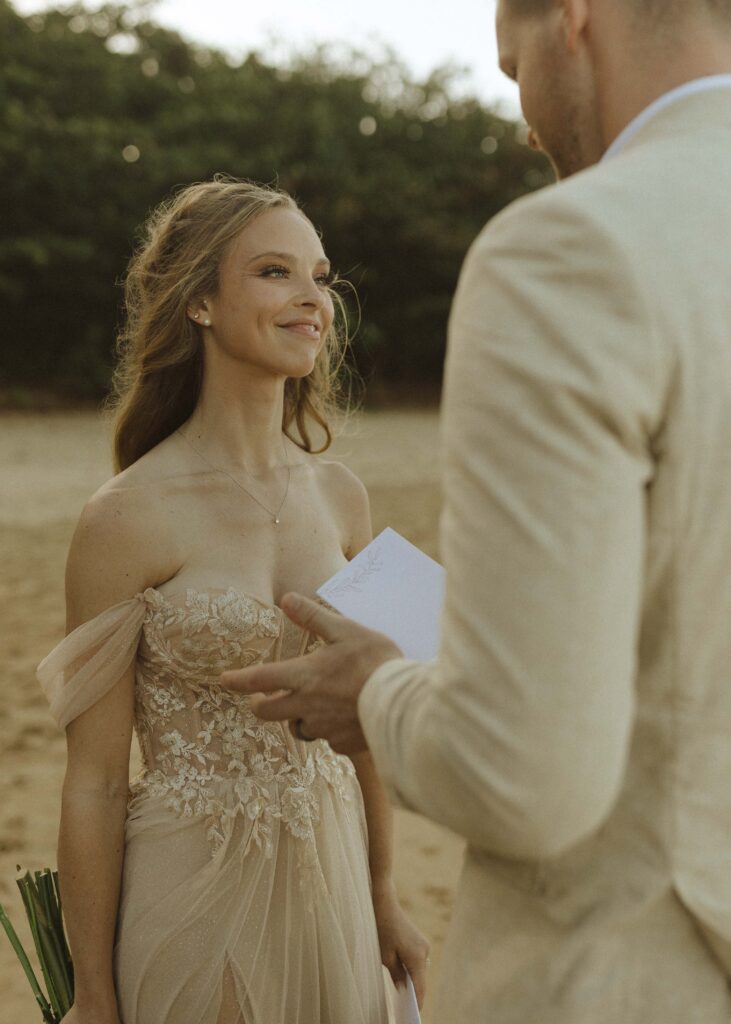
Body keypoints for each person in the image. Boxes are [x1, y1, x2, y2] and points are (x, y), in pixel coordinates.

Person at [219, 1, 731, 1021]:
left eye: (510, 72)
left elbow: (525, 776)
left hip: (628, 969)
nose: (526, 124)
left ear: (571, 17)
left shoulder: (572, 250)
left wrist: (377, 690)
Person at [37, 177, 428, 1024]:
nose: (311, 299)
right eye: (275, 273)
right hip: (191, 894)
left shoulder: (342, 496)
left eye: (319, 276)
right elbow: (97, 783)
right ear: (201, 304)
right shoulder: (124, 518)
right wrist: (94, 994)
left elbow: (366, 737)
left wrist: (385, 896)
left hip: (335, 884)